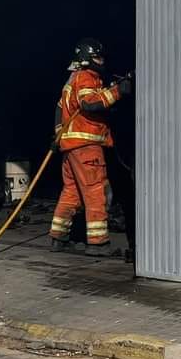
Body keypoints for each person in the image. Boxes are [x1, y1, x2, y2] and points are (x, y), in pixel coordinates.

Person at [49, 37, 132, 256]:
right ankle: (98, 244)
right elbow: (89, 103)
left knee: (72, 192)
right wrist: (117, 92)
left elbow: (60, 110)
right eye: (96, 56)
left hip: (70, 147)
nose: (101, 60)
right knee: (97, 191)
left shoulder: (71, 80)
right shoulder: (86, 77)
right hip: (87, 146)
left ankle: (58, 238)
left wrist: (59, 138)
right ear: (86, 59)